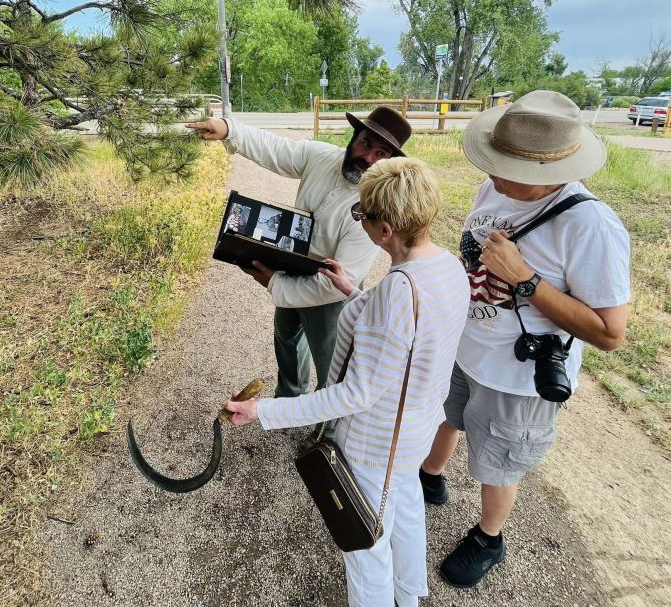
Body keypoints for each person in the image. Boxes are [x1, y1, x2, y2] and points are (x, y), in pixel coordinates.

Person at [224, 156, 471, 607]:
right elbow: (406, 337)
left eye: (363, 214)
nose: (361, 222)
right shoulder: (448, 268)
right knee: (407, 506)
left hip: (377, 441)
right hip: (416, 429)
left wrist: (265, 411)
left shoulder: (398, 291)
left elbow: (355, 393)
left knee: (364, 541)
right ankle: (410, 592)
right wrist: (353, 294)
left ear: (385, 230)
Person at [418, 90, 631, 587]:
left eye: (503, 164)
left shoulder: (591, 226)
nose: (489, 171)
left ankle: (489, 537)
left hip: (518, 379)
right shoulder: (494, 189)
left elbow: (610, 333)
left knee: (499, 461)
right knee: (445, 415)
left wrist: (525, 280)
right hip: (467, 348)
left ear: (544, 173)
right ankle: (429, 477)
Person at [187, 108, 411, 403]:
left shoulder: (373, 205)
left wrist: (275, 285)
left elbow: (339, 282)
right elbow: (275, 149)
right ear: (354, 137)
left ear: (390, 161)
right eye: (366, 144)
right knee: (287, 336)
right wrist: (229, 129)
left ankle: (329, 432)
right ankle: (290, 399)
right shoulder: (322, 156)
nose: (368, 158)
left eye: (381, 153)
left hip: (331, 290)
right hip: (292, 263)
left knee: (331, 362)